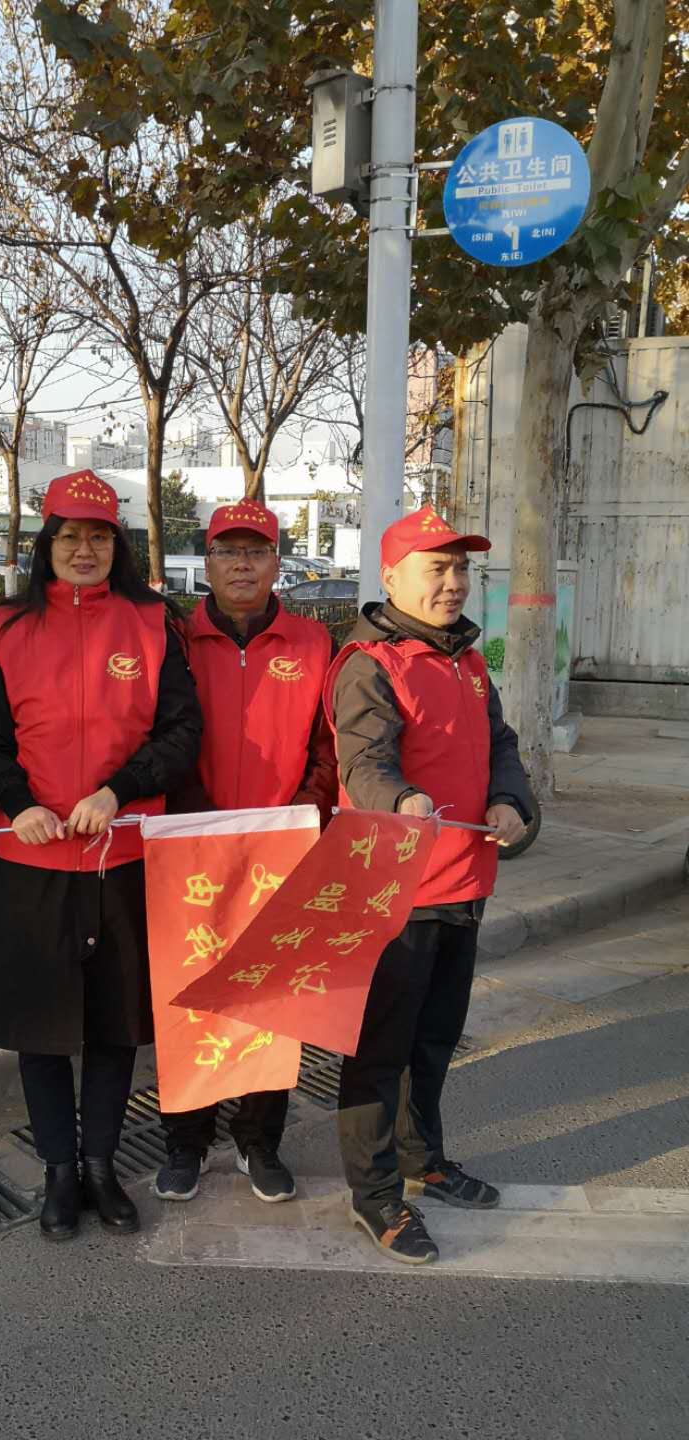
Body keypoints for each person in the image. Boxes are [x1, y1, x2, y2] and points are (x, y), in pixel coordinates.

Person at [0, 471, 201, 1242]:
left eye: (100, 537)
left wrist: (118, 791)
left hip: (121, 858)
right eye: (69, 536)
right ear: (47, 544)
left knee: (112, 1029)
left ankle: (101, 1166)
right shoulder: (3, 625)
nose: (84, 549)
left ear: (117, 546)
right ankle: (58, 1174)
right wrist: (19, 803)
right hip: (29, 861)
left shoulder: (153, 622)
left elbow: (181, 733)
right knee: (41, 1031)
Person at [326, 505, 530, 1265]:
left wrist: (510, 800)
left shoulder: (466, 660)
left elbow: (500, 744)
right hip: (394, 893)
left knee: (435, 1040)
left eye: (461, 568)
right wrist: (401, 798)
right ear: (391, 577)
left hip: (463, 882)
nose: (453, 583)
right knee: (380, 1051)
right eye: (436, 568)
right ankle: (375, 1194)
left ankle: (423, 1159)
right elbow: (363, 761)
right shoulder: (370, 664)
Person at [154, 499, 338, 1206]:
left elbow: (328, 746)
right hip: (192, 851)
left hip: (282, 850)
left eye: (255, 552)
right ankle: (186, 1140)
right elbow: (161, 734)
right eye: (228, 551)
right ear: (207, 562)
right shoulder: (175, 639)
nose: (242, 565)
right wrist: (196, 819)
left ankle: (259, 1140)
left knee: (271, 1001)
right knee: (192, 995)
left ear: (276, 562)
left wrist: (302, 816)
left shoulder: (313, 643)